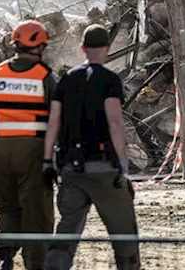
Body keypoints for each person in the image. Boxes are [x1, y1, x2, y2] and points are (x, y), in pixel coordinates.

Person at [44, 24, 139, 270]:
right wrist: (123, 162)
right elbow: (115, 122)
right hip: (104, 167)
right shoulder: (109, 80)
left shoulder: (66, 79)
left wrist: (47, 161)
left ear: (82, 48)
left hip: (71, 168)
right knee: (123, 230)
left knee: (67, 230)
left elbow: (53, 122)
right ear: (107, 49)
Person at [0, 20, 58, 270]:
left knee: (8, 209)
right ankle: (36, 264)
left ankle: (4, 257)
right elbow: (57, 121)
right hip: (32, 152)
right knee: (37, 214)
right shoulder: (45, 76)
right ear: (40, 46)